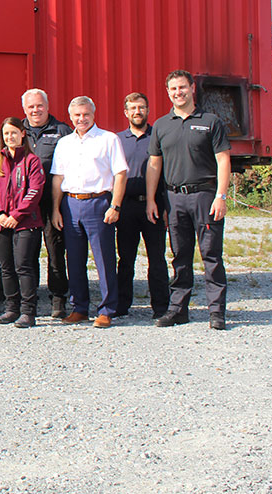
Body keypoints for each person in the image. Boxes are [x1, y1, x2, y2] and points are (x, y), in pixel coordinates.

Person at [146, 70, 232, 330]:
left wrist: (221, 196)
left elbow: (224, 160)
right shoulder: (162, 125)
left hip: (205, 197)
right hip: (174, 199)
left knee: (211, 256)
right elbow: (154, 164)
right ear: (168, 92)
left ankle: (216, 312)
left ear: (192, 88)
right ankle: (178, 310)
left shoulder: (211, 121)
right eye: (173, 89)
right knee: (180, 256)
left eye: (182, 87)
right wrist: (152, 200)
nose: (178, 92)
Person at [50, 96, 127, 328]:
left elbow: (120, 174)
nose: (81, 119)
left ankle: (106, 309)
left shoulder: (108, 139)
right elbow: (58, 178)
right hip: (71, 205)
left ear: (93, 115)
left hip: (99, 204)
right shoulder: (64, 143)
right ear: (70, 116)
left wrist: (115, 205)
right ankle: (79, 308)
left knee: (104, 259)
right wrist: (56, 209)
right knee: (74, 260)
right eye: (77, 115)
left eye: (85, 114)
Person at [0, 117, 46, 328]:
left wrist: (16, 215)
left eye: (13, 133)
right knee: (6, 268)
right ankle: (11, 308)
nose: (10, 137)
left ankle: (28, 311)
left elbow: (34, 192)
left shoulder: (32, 161)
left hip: (26, 223)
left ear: (22, 134)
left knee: (24, 267)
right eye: (6, 134)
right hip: (0, 224)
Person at [115, 93, 170, 320]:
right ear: (126, 113)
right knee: (125, 260)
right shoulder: (116, 140)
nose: (137, 112)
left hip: (153, 206)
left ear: (148, 110)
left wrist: (165, 206)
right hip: (126, 207)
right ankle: (121, 306)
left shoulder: (158, 137)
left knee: (157, 258)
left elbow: (166, 173)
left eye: (142, 108)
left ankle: (161, 307)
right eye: (133, 108)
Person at [21, 88, 73, 318]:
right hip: (26, 206)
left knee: (55, 252)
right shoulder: (18, 130)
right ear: (24, 109)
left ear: (47, 106)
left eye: (39, 105)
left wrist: (59, 207)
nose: (35, 110)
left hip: (54, 203)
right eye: (31, 106)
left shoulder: (62, 131)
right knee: (27, 254)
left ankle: (58, 299)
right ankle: (28, 300)